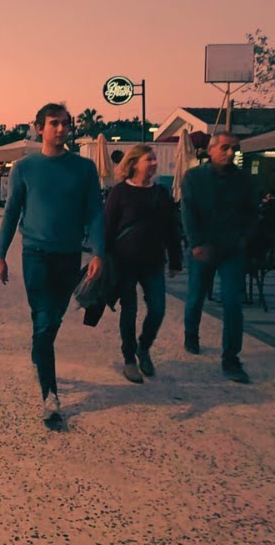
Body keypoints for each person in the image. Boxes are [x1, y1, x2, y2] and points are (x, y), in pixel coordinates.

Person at [0, 103, 104, 422]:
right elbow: (12, 213)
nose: (61, 129)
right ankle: (50, 396)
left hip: (69, 257)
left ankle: (39, 349)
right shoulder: (24, 168)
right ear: (39, 127)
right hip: (35, 256)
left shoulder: (83, 169)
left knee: (52, 321)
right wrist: (0, 254)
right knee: (43, 320)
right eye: (54, 123)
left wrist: (98, 252)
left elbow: (95, 212)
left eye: (65, 124)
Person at [181, 131, 256, 383]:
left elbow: (253, 213)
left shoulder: (243, 180)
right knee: (195, 297)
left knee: (233, 302)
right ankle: (191, 333)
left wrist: (245, 239)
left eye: (234, 148)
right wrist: (195, 243)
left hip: (232, 249)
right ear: (210, 150)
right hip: (203, 247)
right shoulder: (194, 177)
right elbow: (188, 211)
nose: (230, 153)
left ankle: (231, 358)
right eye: (224, 148)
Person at [103, 145, 182, 384]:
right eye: (150, 159)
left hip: (153, 262)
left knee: (158, 309)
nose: (155, 163)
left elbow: (171, 228)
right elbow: (107, 227)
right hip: (124, 261)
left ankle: (143, 347)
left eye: (155, 159)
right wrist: (103, 258)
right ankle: (129, 359)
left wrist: (175, 259)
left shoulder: (161, 193)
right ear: (134, 163)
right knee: (130, 311)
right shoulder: (120, 192)